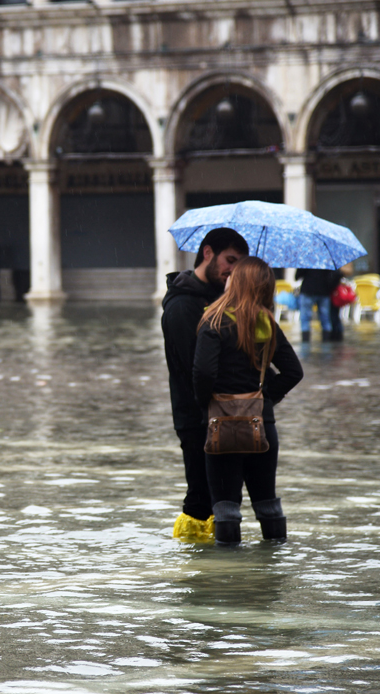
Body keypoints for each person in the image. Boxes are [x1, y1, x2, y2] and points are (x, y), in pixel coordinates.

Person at [192, 257, 303, 545]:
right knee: (267, 501)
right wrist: (265, 399)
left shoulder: (213, 321)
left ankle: (233, 578)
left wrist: (205, 404)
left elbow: (203, 372)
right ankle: (274, 568)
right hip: (260, 424)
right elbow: (293, 371)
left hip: (221, 423)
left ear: (236, 283)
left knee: (226, 507)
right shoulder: (266, 322)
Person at [161, 227, 249, 542]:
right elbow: (193, 368)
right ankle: (196, 567)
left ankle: (219, 561)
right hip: (196, 417)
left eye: (240, 264)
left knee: (223, 496)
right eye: (230, 260)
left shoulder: (222, 298)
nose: (233, 270)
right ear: (207, 253)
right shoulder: (182, 305)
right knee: (200, 496)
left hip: (226, 411)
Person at [296, 268, 342, 342]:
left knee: (305, 318)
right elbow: (335, 274)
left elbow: (297, 276)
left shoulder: (306, 260)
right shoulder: (326, 261)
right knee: (325, 318)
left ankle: (305, 341)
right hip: (324, 291)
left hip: (308, 290)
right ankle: (326, 340)